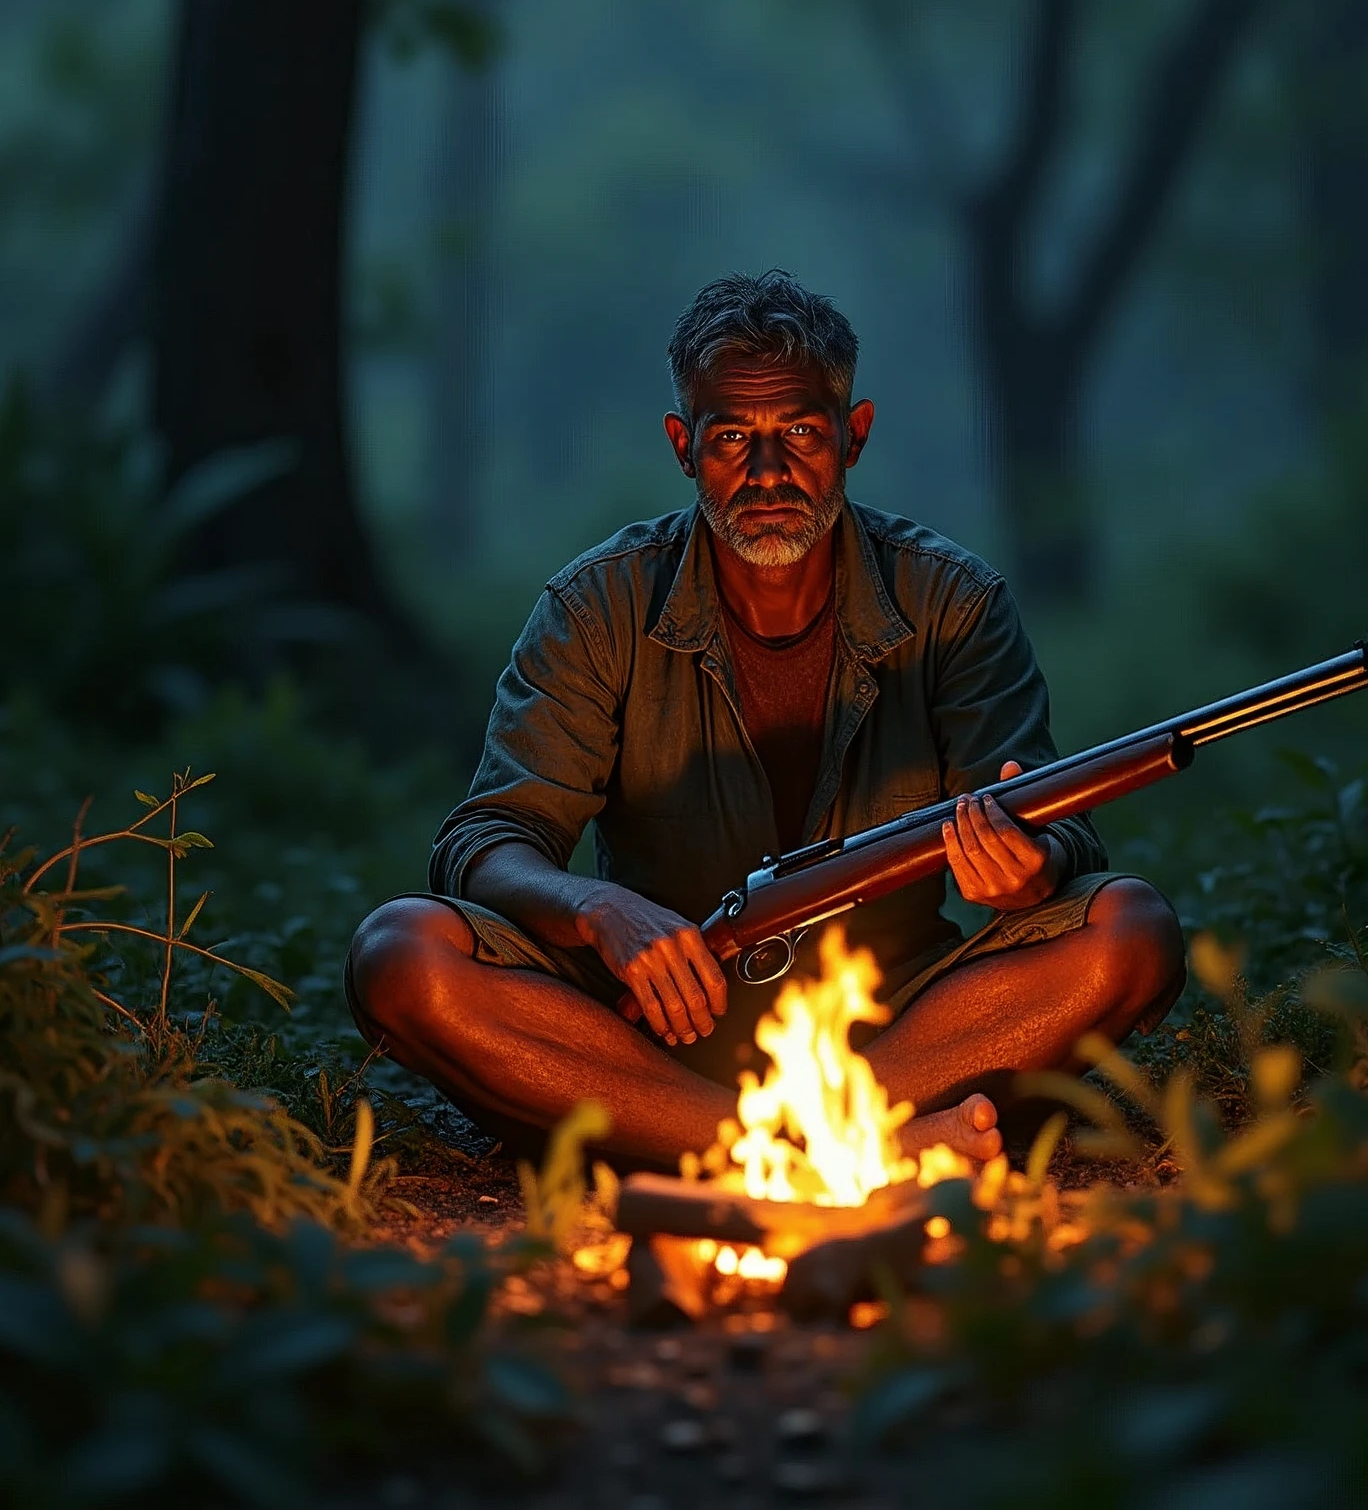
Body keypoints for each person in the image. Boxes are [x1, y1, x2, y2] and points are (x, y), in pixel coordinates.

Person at [347, 272, 1184, 1167]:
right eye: (733, 439)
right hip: (650, 1037)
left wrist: (1026, 869)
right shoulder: (598, 605)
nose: (769, 473)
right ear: (683, 446)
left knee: (1128, 930)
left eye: (801, 434)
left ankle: (727, 1156)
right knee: (402, 952)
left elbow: (1057, 839)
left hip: (895, 1027)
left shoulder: (955, 604)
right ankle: (833, 1157)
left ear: (853, 438)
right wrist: (597, 909)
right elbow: (487, 841)